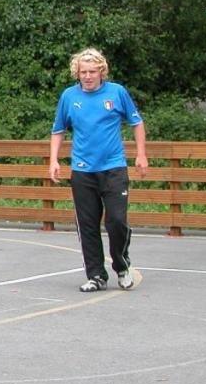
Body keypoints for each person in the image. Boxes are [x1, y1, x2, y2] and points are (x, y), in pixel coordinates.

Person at [48, 48, 148, 293]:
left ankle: (122, 266)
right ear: (77, 73)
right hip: (83, 170)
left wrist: (141, 154)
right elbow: (58, 130)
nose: (88, 76)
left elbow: (136, 122)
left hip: (113, 167)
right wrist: (54, 160)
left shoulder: (116, 92)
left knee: (116, 220)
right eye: (83, 72)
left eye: (92, 71)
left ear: (101, 71)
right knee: (88, 224)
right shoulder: (69, 97)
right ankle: (95, 275)